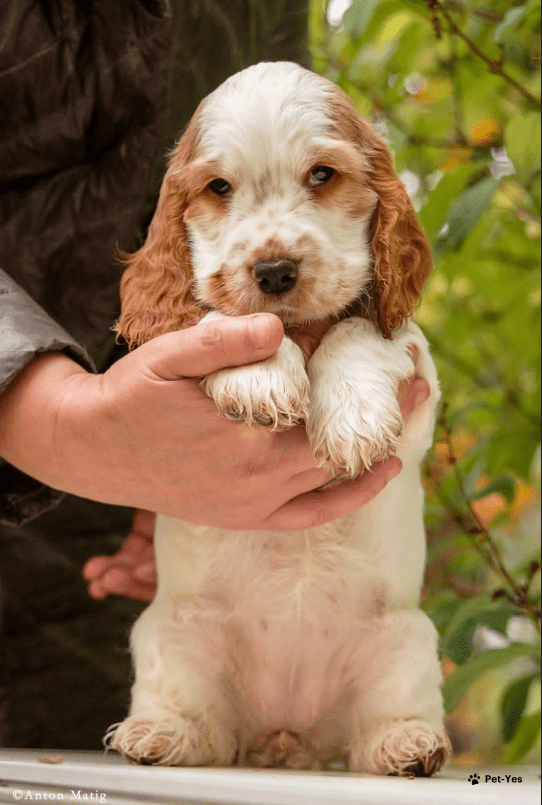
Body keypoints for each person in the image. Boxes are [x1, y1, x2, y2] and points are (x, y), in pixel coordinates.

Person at [0, 0, 429, 748]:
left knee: (141, 749)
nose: (275, 253)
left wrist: (159, 456)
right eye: (220, 189)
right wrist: (53, 421)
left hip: (131, 522)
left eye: (322, 176)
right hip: (52, 463)